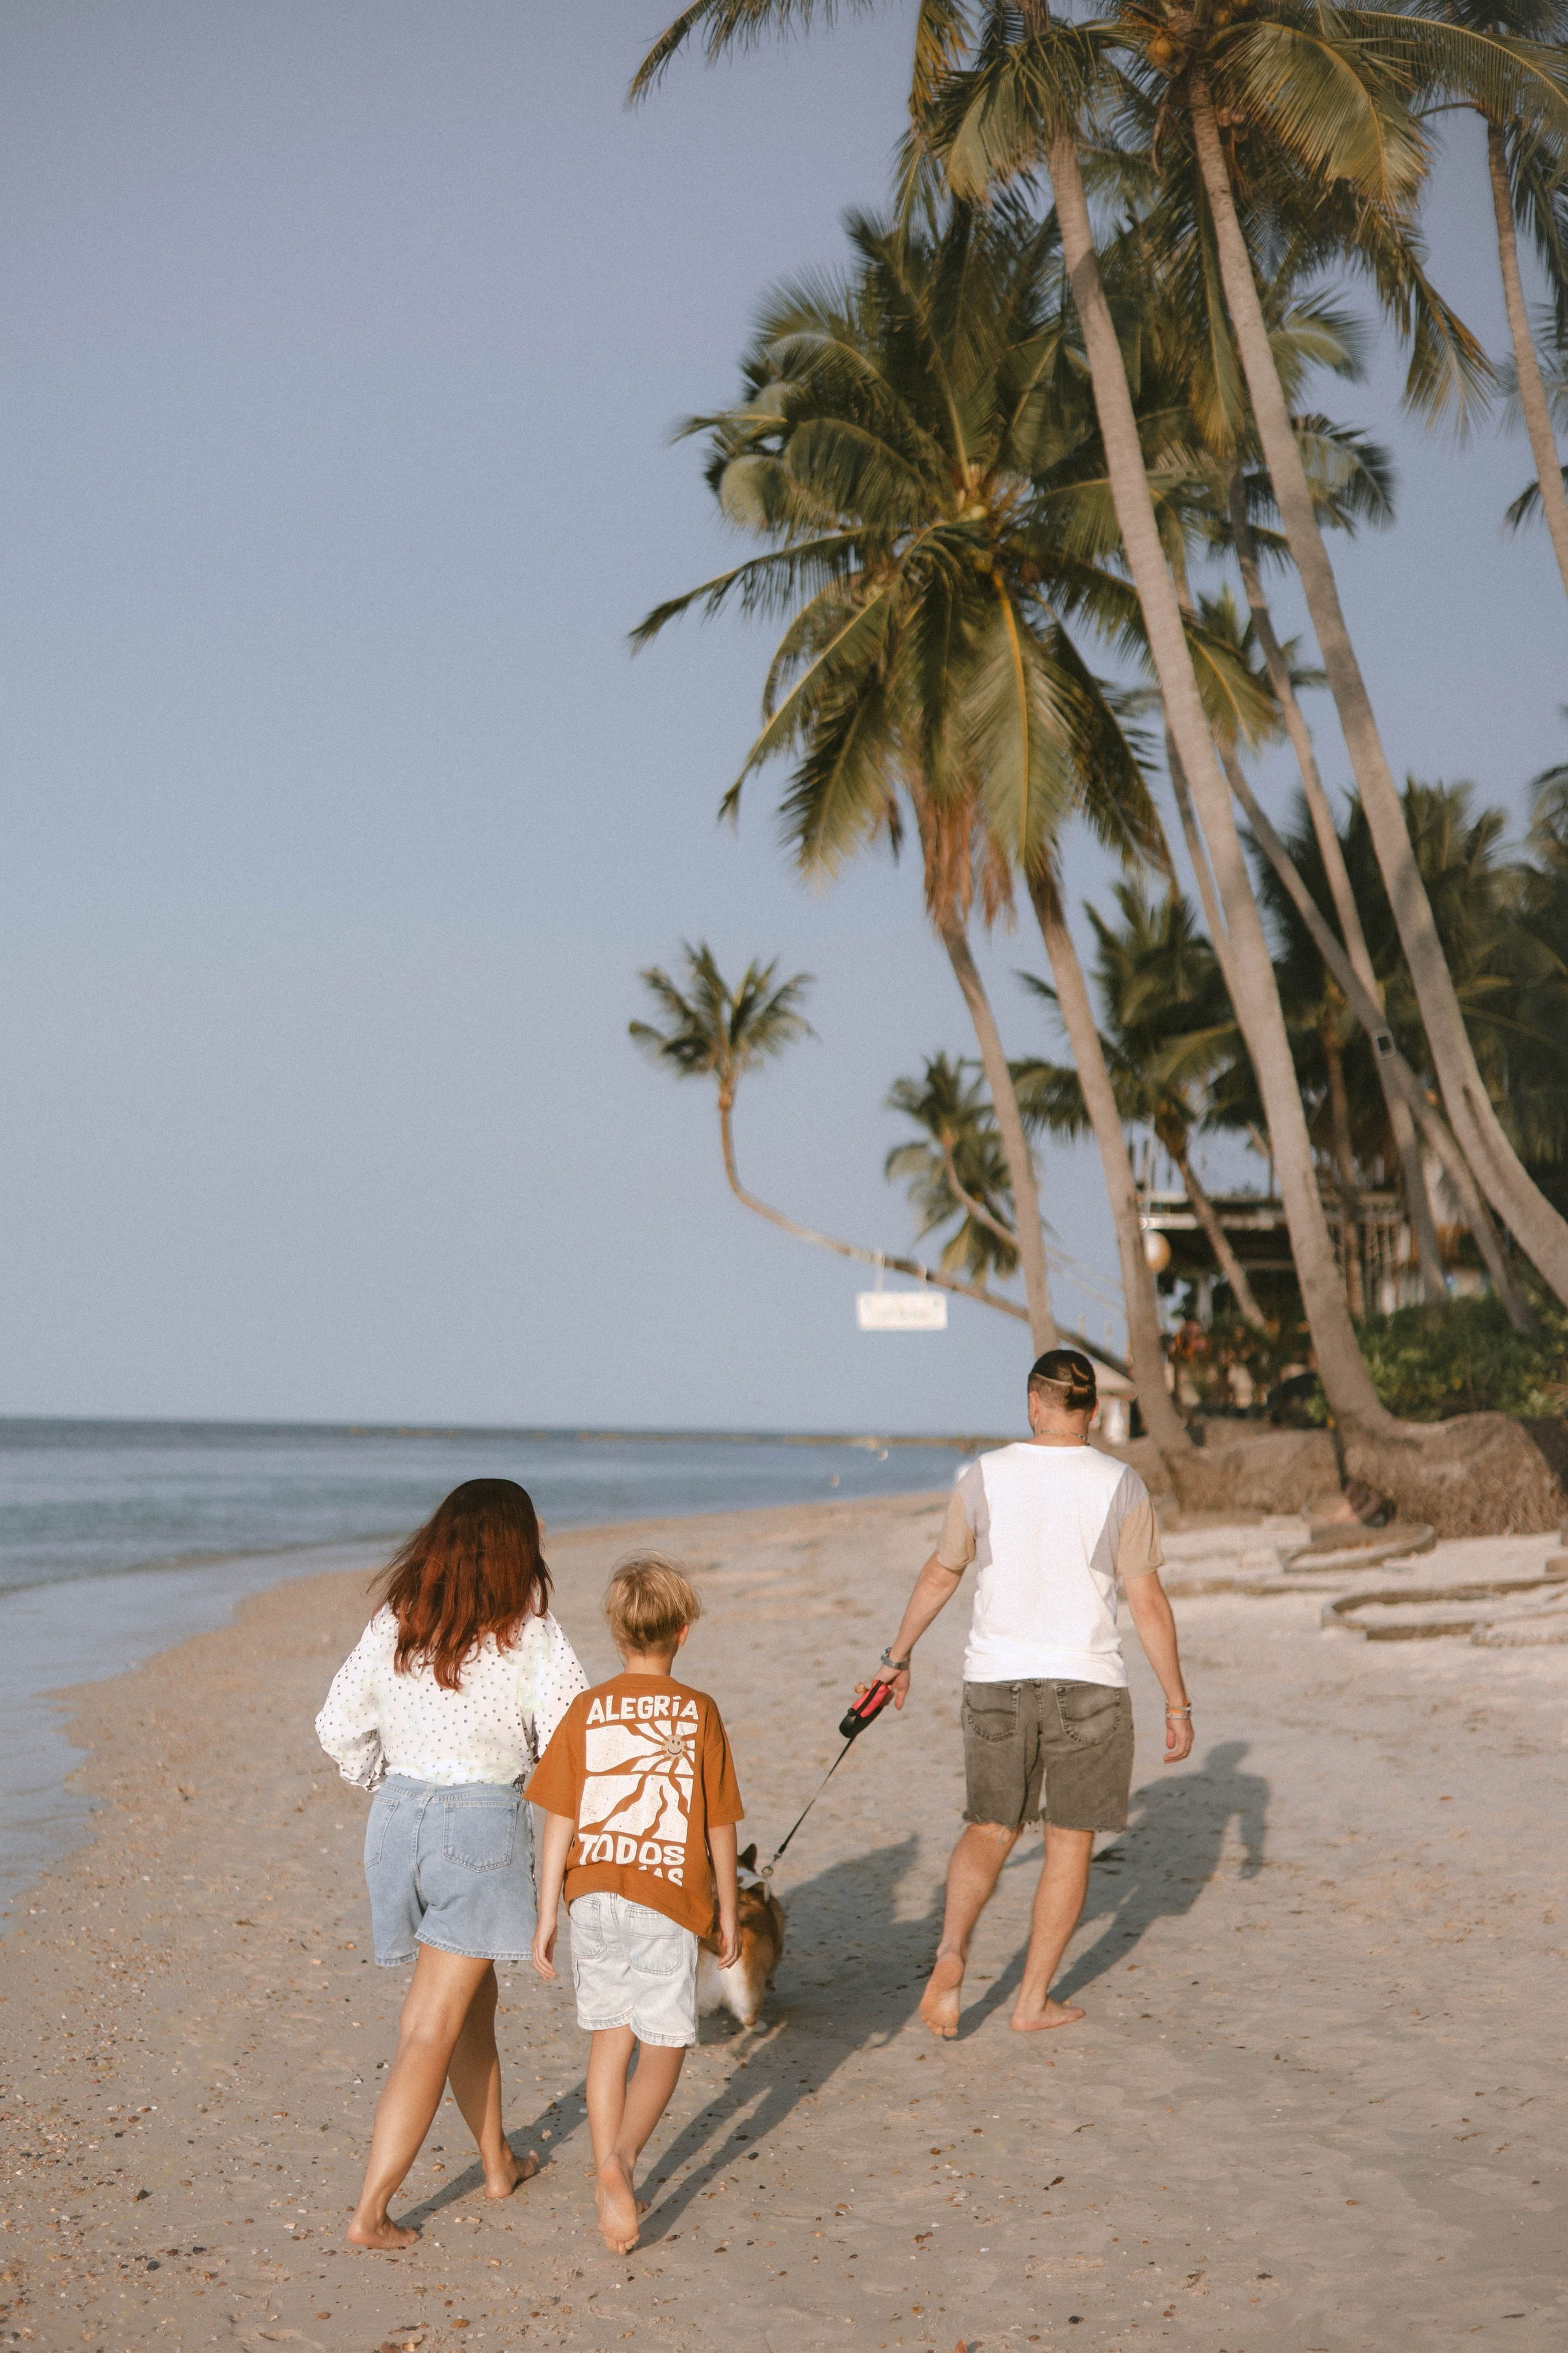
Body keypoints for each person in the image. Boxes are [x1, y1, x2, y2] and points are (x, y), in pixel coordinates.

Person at [872, 1348, 1194, 2039]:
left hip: (996, 1677)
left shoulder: (985, 1475)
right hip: (1088, 1684)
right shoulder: (1121, 1483)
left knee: (989, 1827)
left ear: (1032, 1404)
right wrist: (1176, 1700)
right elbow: (1147, 1602)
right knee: (1068, 1844)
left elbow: (941, 1572)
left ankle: (953, 1950)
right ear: (1095, 1411)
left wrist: (896, 1657)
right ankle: (1030, 2001)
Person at [315, 1476, 588, 2249]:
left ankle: (498, 2162)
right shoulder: (530, 1630)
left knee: (472, 2002)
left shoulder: (400, 1620)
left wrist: (391, 1782)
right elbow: (575, 1737)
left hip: (396, 1822)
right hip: (478, 1822)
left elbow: (337, 1724)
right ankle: (370, 2212)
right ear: (513, 1546)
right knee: (429, 2024)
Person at [528, 1554, 742, 2255]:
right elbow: (718, 1825)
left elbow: (558, 1816)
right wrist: (729, 1914)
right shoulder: (699, 1711)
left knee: (608, 2037)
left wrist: (546, 1913)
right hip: (665, 1899)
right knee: (665, 2041)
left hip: (589, 1894)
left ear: (615, 1633)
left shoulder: (587, 1709)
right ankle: (621, 2165)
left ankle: (604, 2176)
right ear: (682, 1633)